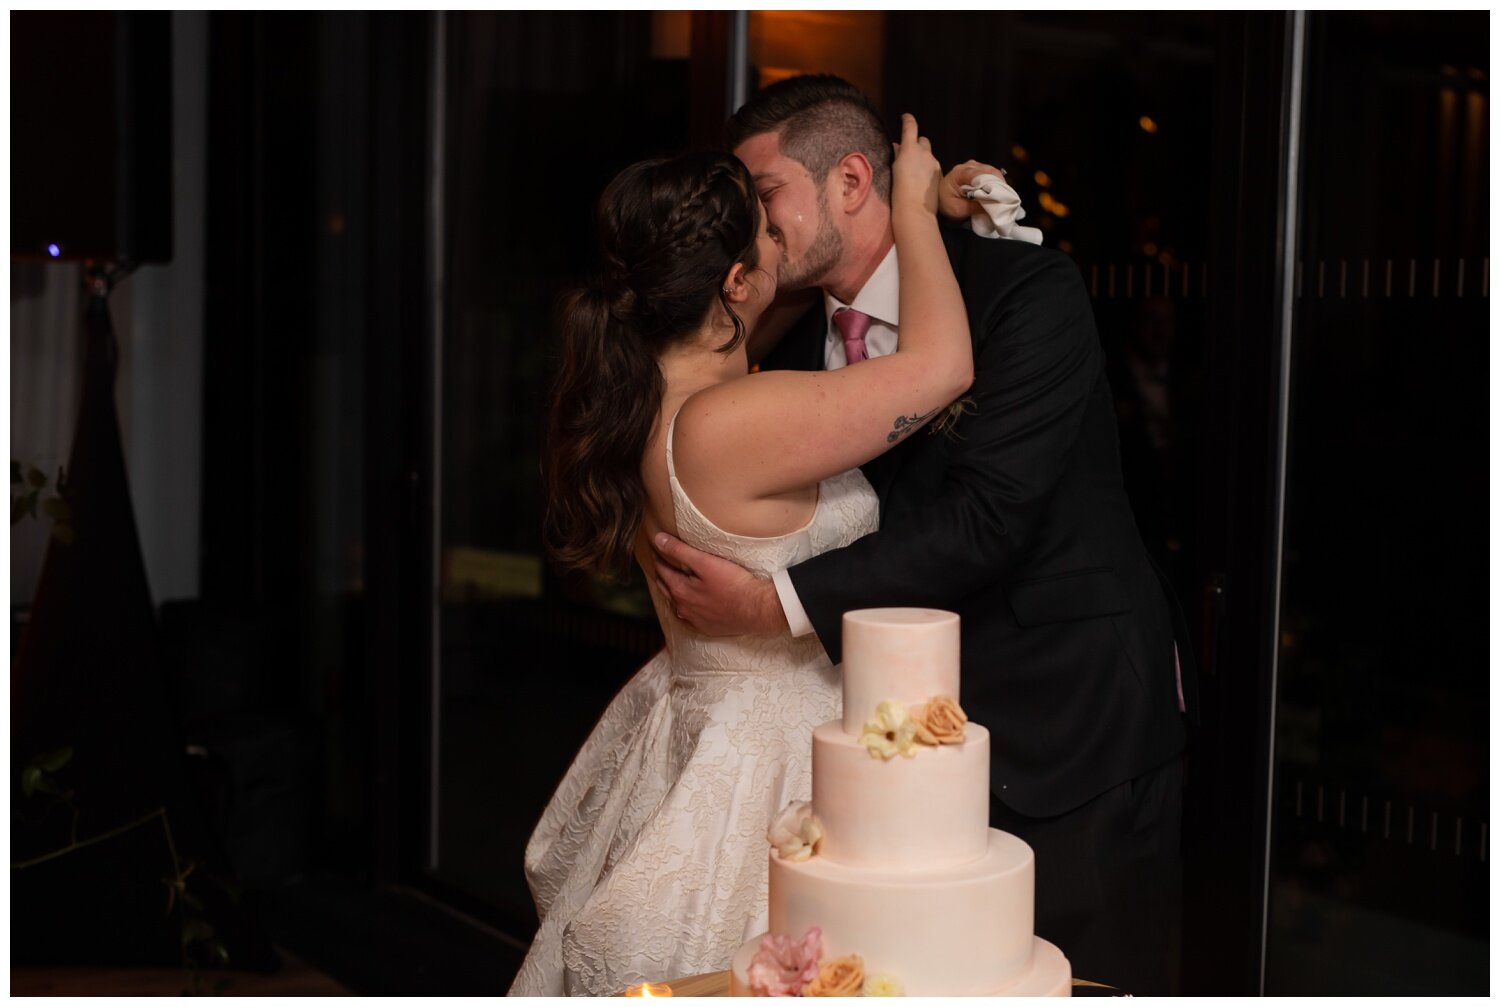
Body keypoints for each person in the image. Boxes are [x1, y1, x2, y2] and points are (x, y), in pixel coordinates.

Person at [652, 74, 1196, 995]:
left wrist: (773, 601)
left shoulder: (1026, 295)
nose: (752, 224)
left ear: (854, 181)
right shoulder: (777, 344)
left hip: (1065, 730)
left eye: (767, 194)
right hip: (887, 774)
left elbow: (988, 519)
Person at [508, 114, 973, 996]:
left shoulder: (654, 388)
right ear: (732, 282)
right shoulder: (729, 424)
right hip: (767, 774)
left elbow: (769, 303)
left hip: (702, 727)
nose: (782, 240)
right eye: (765, 229)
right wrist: (909, 205)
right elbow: (943, 366)